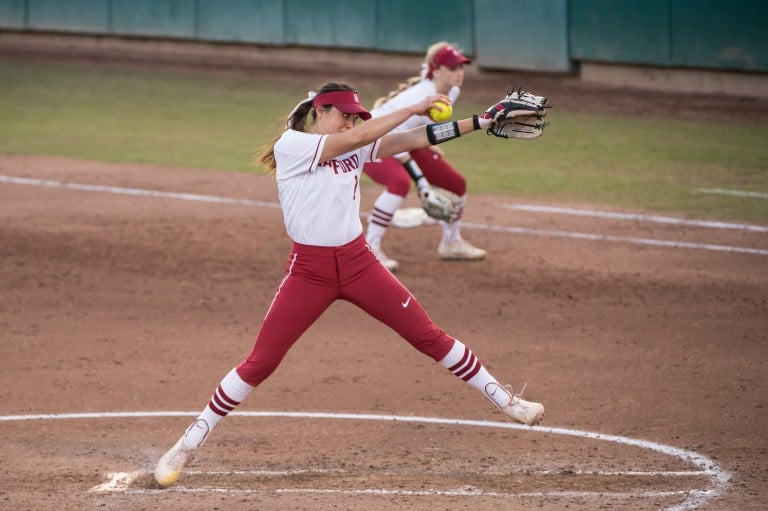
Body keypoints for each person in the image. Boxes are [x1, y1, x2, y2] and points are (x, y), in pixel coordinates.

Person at [153, 81, 545, 488]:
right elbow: (365, 136)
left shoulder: (352, 143)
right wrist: (419, 103)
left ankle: (509, 402)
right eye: (344, 115)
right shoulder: (294, 145)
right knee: (261, 362)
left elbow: (414, 138)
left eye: (355, 116)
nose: (351, 122)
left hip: (360, 264)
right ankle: (187, 443)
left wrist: (480, 121)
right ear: (320, 112)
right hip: (309, 272)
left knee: (427, 335)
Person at [363, 42, 485, 271]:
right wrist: (421, 181)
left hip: (404, 137)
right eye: (452, 68)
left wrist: (430, 145)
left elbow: (418, 128)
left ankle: (451, 242)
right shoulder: (422, 94)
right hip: (373, 136)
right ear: (436, 71)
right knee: (399, 183)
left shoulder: (452, 91)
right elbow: (394, 136)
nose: (459, 73)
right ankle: (371, 248)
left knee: (456, 184)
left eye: (461, 67)